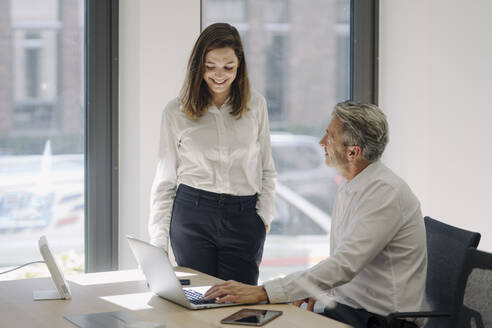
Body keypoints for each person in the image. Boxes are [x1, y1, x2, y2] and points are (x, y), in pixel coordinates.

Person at [203, 101, 427, 328]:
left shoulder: (385, 192)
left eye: (329, 137)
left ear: (353, 151)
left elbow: (344, 264)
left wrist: (263, 291)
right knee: (260, 318)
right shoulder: (354, 186)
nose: (321, 142)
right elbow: (344, 264)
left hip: (381, 321)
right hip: (350, 308)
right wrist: (315, 289)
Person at [148, 23, 276, 286]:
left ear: (239, 65)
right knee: (196, 304)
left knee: (241, 310)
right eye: (211, 66)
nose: (220, 75)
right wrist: (158, 243)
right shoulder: (176, 112)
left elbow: (267, 168)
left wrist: (263, 217)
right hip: (192, 215)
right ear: (199, 66)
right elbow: (165, 180)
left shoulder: (256, 105)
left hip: (243, 216)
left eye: (228, 67)